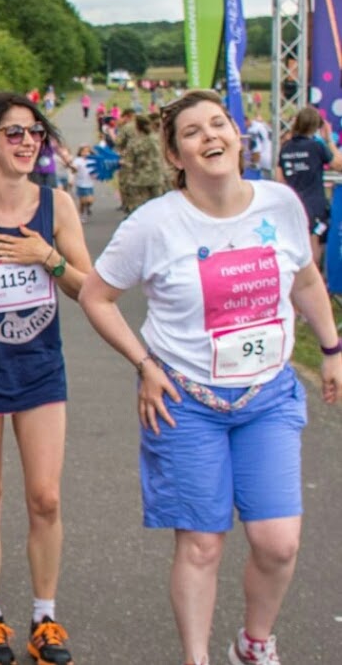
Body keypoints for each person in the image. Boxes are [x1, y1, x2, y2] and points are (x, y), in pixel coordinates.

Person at [79, 89, 342, 665]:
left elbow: (303, 280)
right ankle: (196, 658)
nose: (210, 137)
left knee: (279, 544)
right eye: (193, 133)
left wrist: (330, 347)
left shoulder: (278, 204)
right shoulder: (154, 224)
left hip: (267, 396)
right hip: (186, 402)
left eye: (218, 124)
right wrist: (144, 365)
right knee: (201, 544)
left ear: (238, 135)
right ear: (175, 156)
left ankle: (253, 644)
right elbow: (96, 297)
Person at [0, 93, 95, 665]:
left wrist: (47, 257)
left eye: (34, 133)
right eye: (13, 133)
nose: (27, 142)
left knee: (46, 498)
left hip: (39, 372)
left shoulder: (55, 207)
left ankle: (45, 617)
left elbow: (88, 288)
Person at [276, 105, 342, 268]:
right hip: (315, 205)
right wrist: (329, 140)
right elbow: (339, 165)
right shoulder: (316, 146)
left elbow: (279, 179)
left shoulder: (286, 148)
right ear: (316, 126)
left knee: (294, 246)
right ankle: (313, 284)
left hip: (292, 204)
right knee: (313, 246)